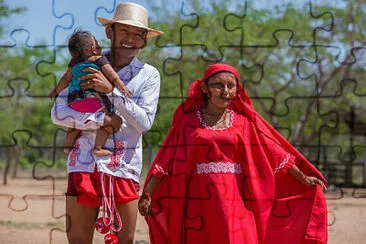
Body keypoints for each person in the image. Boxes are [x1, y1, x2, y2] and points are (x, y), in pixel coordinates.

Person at [138, 63, 328, 244]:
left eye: (231, 86)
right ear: (205, 87)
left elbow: (273, 151)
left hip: (238, 196)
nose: (225, 91)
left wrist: (302, 178)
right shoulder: (187, 122)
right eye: (218, 85)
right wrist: (148, 193)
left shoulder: (244, 122)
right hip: (198, 199)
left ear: (237, 90)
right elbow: (166, 159)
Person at [51, 2, 163, 244]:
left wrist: (112, 91)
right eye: (125, 32)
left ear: (144, 39)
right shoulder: (83, 65)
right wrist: (101, 120)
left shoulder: (149, 75)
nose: (131, 39)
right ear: (109, 32)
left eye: (138, 34)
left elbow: (144, 123)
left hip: (123, 167)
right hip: (82, 165)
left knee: (125, 240)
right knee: (79, 240)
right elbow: (57, 114)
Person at [49, 29, 133, 157]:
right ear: (93, 49)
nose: (100, 47)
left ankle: (67, 147)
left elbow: (65, 79)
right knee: (114, 121)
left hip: (74, 102)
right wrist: (122, 87)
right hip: (95, 102)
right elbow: (113, 76)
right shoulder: (99, 59)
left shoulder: (73, 63)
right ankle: (98, 147)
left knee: (75, 123)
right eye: (98, 45)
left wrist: (56, 90)